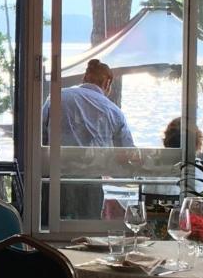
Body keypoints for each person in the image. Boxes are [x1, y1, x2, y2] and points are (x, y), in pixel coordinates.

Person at [40, 59, 134, 220]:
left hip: (55, 179)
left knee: (50, 229)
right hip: (90, 183)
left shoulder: (56, 98)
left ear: (85, 78)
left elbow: (40, 136)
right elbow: (128, 152)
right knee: (86, 231)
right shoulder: (114, 111)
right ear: (107, 82)